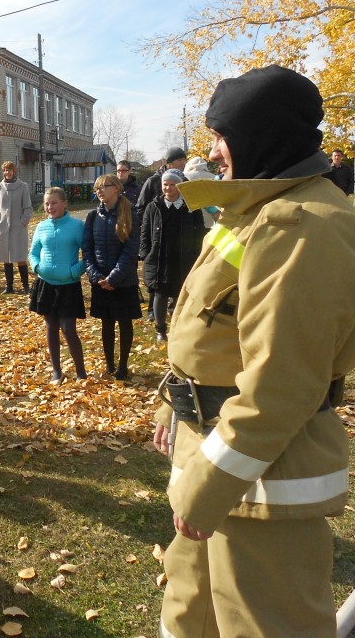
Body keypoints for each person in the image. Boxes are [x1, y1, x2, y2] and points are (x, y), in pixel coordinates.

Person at [152, 65, 355, 638]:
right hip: (217, 457)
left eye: (223, 137)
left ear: (261, 137)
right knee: (191, 615)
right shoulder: (258, 209)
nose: (213, 152)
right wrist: (175, 401)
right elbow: (207, 328)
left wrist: (207, 487)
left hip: (263, 485)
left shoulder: (302, 225)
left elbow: (280, 388)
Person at [83, 174, 141, 380]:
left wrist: (114, 278)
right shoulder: (93, 216)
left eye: (103, 186)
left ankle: (123, 365)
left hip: (124, 281)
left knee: (125, 323)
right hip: (100, 281)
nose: (99, 191)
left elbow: (131, 250)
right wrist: (96, 276)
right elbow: (87, 249)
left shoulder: (130, 214)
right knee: (106, 324)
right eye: (96, 188)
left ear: (116, 188)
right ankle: (109, 364)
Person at [138, 169, 205, 344]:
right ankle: (160, 329)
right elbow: (145, 232)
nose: (168, 188)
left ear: (180, 186)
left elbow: (199, 232)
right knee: (160, 293)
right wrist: (145, 254)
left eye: (172, 184)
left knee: (180, 294)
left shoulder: (191, 206)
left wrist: (197, 254)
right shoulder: (153, 206)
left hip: (183, 257)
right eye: (165, 184)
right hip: (160, 257)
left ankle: (178, 328)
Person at [28, 187, 87, 382]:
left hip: (68, 285)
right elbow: (33, 253)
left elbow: (88, 255)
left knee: (68, 329)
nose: (49, 207)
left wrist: (73, 271)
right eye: (46, 203)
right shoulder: (41, 226)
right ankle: (56, 371)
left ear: (64, 203)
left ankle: (81, 372)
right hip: (46, 284)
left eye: (54, 203)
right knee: (51, 327)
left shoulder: (77, 226)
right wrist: (37, 267)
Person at [0, 161, 33, 294]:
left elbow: (28, 208)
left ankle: (26, 286)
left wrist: (22, 222)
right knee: (6, 258)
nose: (7, 172)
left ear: (14, 171)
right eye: (5, 170)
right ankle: (9, 287)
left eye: (9, 170)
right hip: (3, 228)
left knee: (20, 258)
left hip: (18, 229)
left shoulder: (23, 186)